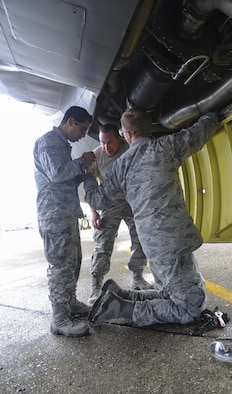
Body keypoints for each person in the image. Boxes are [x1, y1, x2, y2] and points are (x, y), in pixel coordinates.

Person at [84, 108, 219, 326]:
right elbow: (199, 132)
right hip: (173, 240)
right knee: (189, 308)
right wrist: (212, 113)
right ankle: (120, 308)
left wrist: (89, 174)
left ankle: (122, 295)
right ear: (149, 130)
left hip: (153, 243)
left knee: (171, 292)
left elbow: (96, 199)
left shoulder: (121, 165)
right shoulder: (166, 147)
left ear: (127, 134)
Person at [33, 106, 96, 337]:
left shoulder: (61, 144)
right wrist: (82, 162)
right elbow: (56, 173)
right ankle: (59, 319)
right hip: (54, 215)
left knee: (72, 262)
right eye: (83, 129)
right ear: (71, 121)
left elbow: (64, 180)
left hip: (66, 214)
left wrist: (83, 172)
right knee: (60, 266)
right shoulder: (48, 142)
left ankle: (69, 304)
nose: (83, 135)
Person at [87, 123, 154, 306]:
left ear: (120, 138)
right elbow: (91, 186)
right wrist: (93, 213)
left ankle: (138, 278)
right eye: (103, 143)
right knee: (102, 244)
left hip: (132, 201)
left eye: (110, 142)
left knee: (140, 239)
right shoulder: (97, 155)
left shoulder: (130, 148)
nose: (106, 147)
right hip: (109, 203)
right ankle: (96, 287)